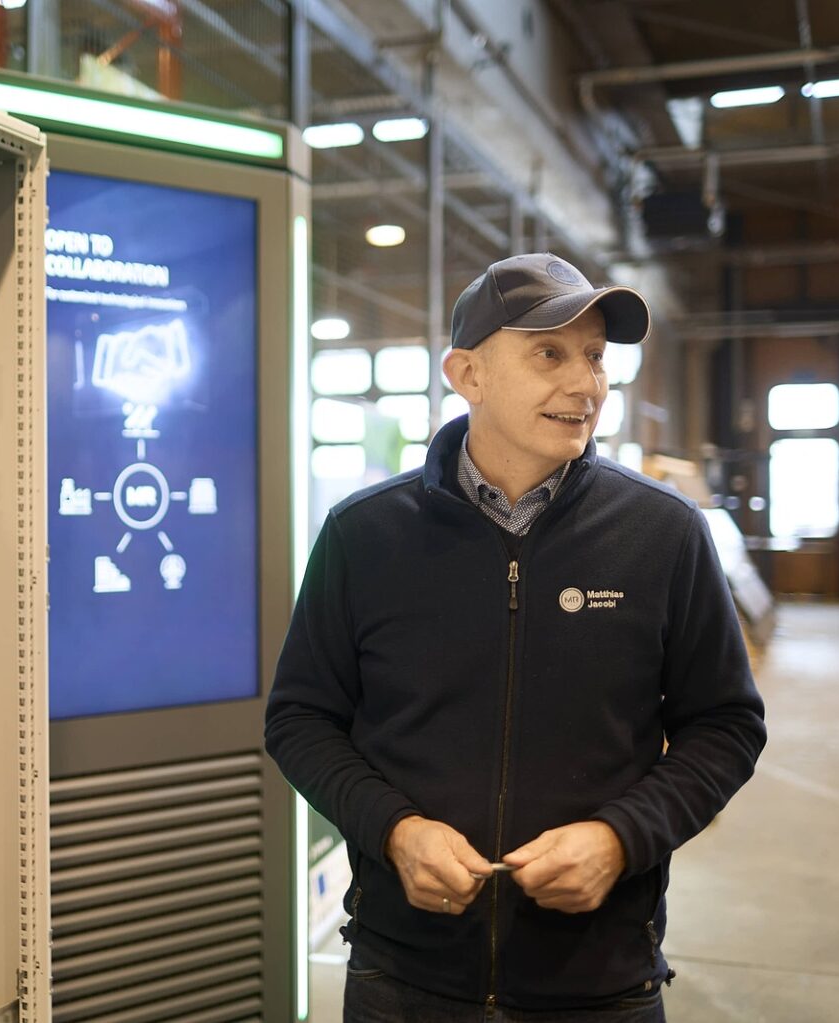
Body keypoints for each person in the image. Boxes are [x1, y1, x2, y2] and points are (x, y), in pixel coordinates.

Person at [265, 253, 767, 1021]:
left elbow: (727, 725)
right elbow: (300, 718)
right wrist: (394, 829)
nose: (586, 384)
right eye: (550, 353)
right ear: (468, 373)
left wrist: (620, 837)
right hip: (403, 976)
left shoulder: (664, 534)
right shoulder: (364, 535)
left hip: (599, 978)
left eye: (596, 357)